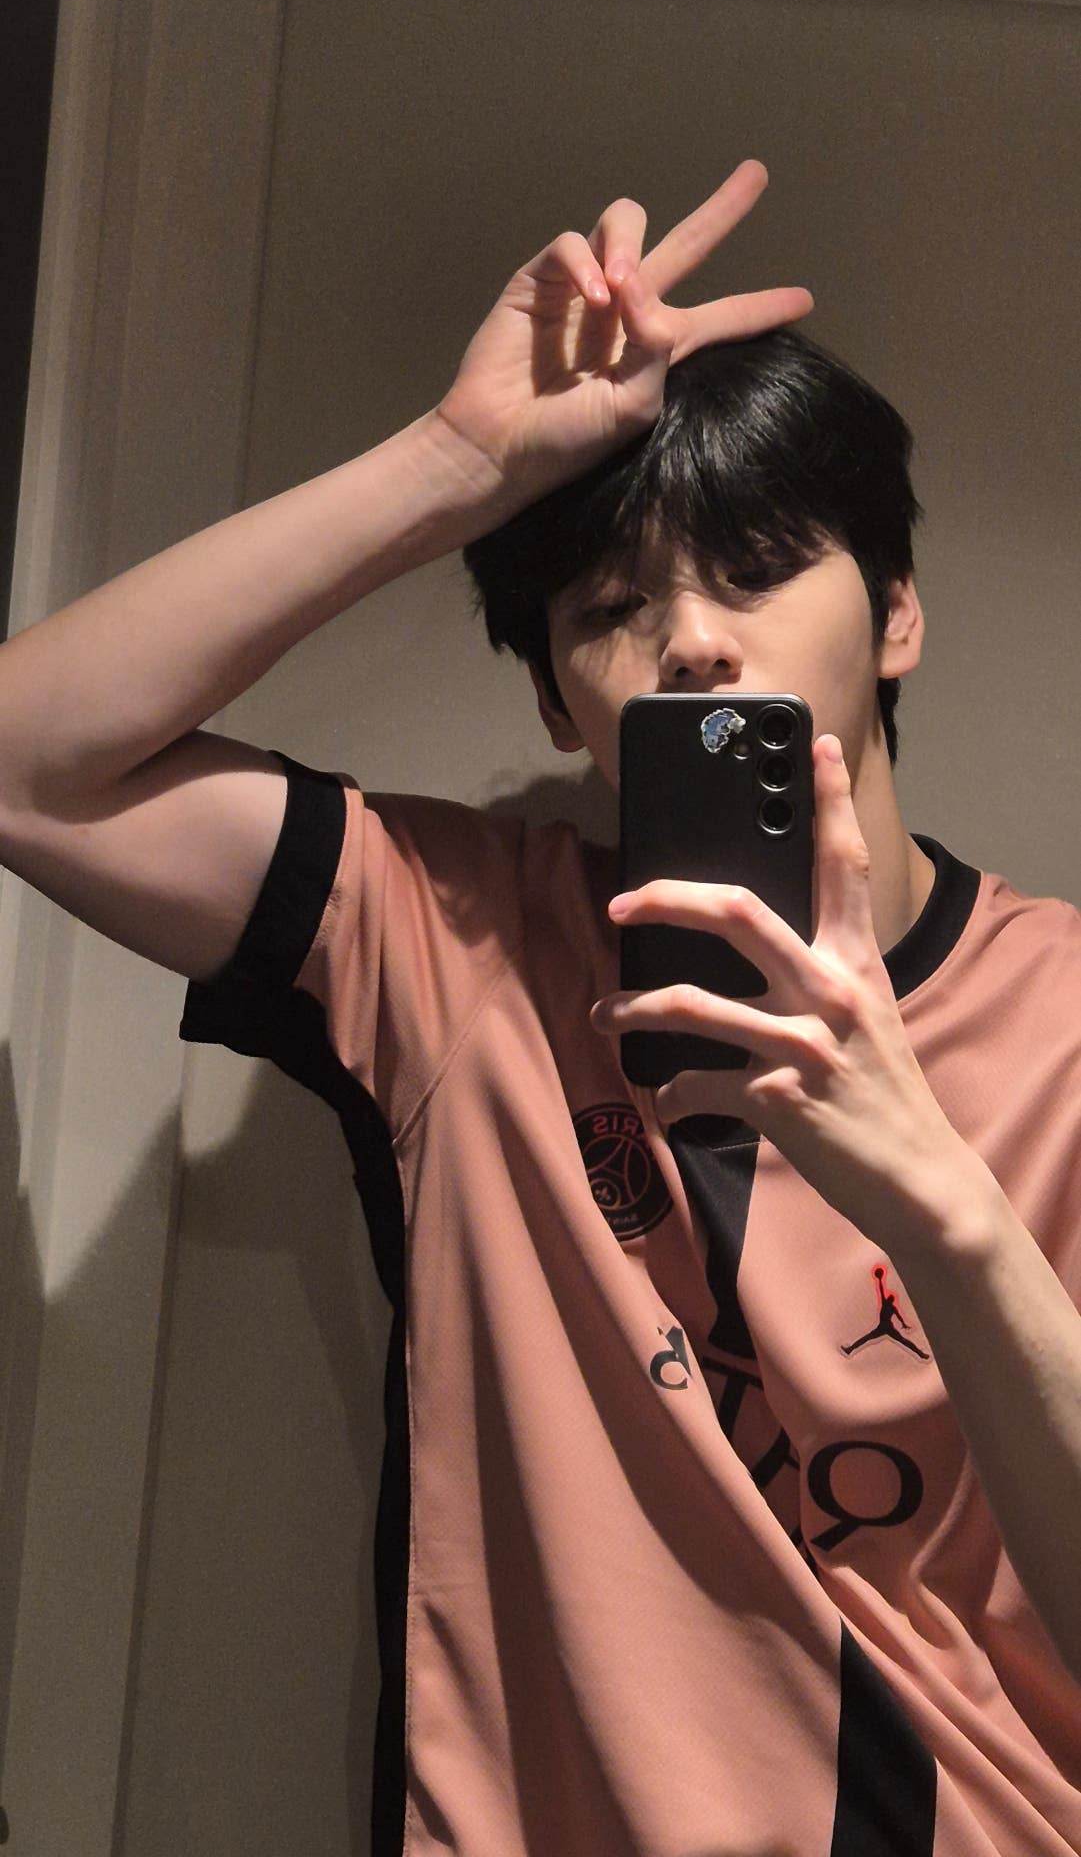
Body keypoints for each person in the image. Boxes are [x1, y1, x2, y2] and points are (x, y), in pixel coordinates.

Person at [2, 160, 1080, 1855]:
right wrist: (453, 465)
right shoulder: (449, 945)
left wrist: (940, 1202)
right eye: (610, 609)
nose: (693, 644)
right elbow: (25, 763)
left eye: (756, 568)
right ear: (562, 706)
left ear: (894, 617)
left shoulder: (1069, 1020)